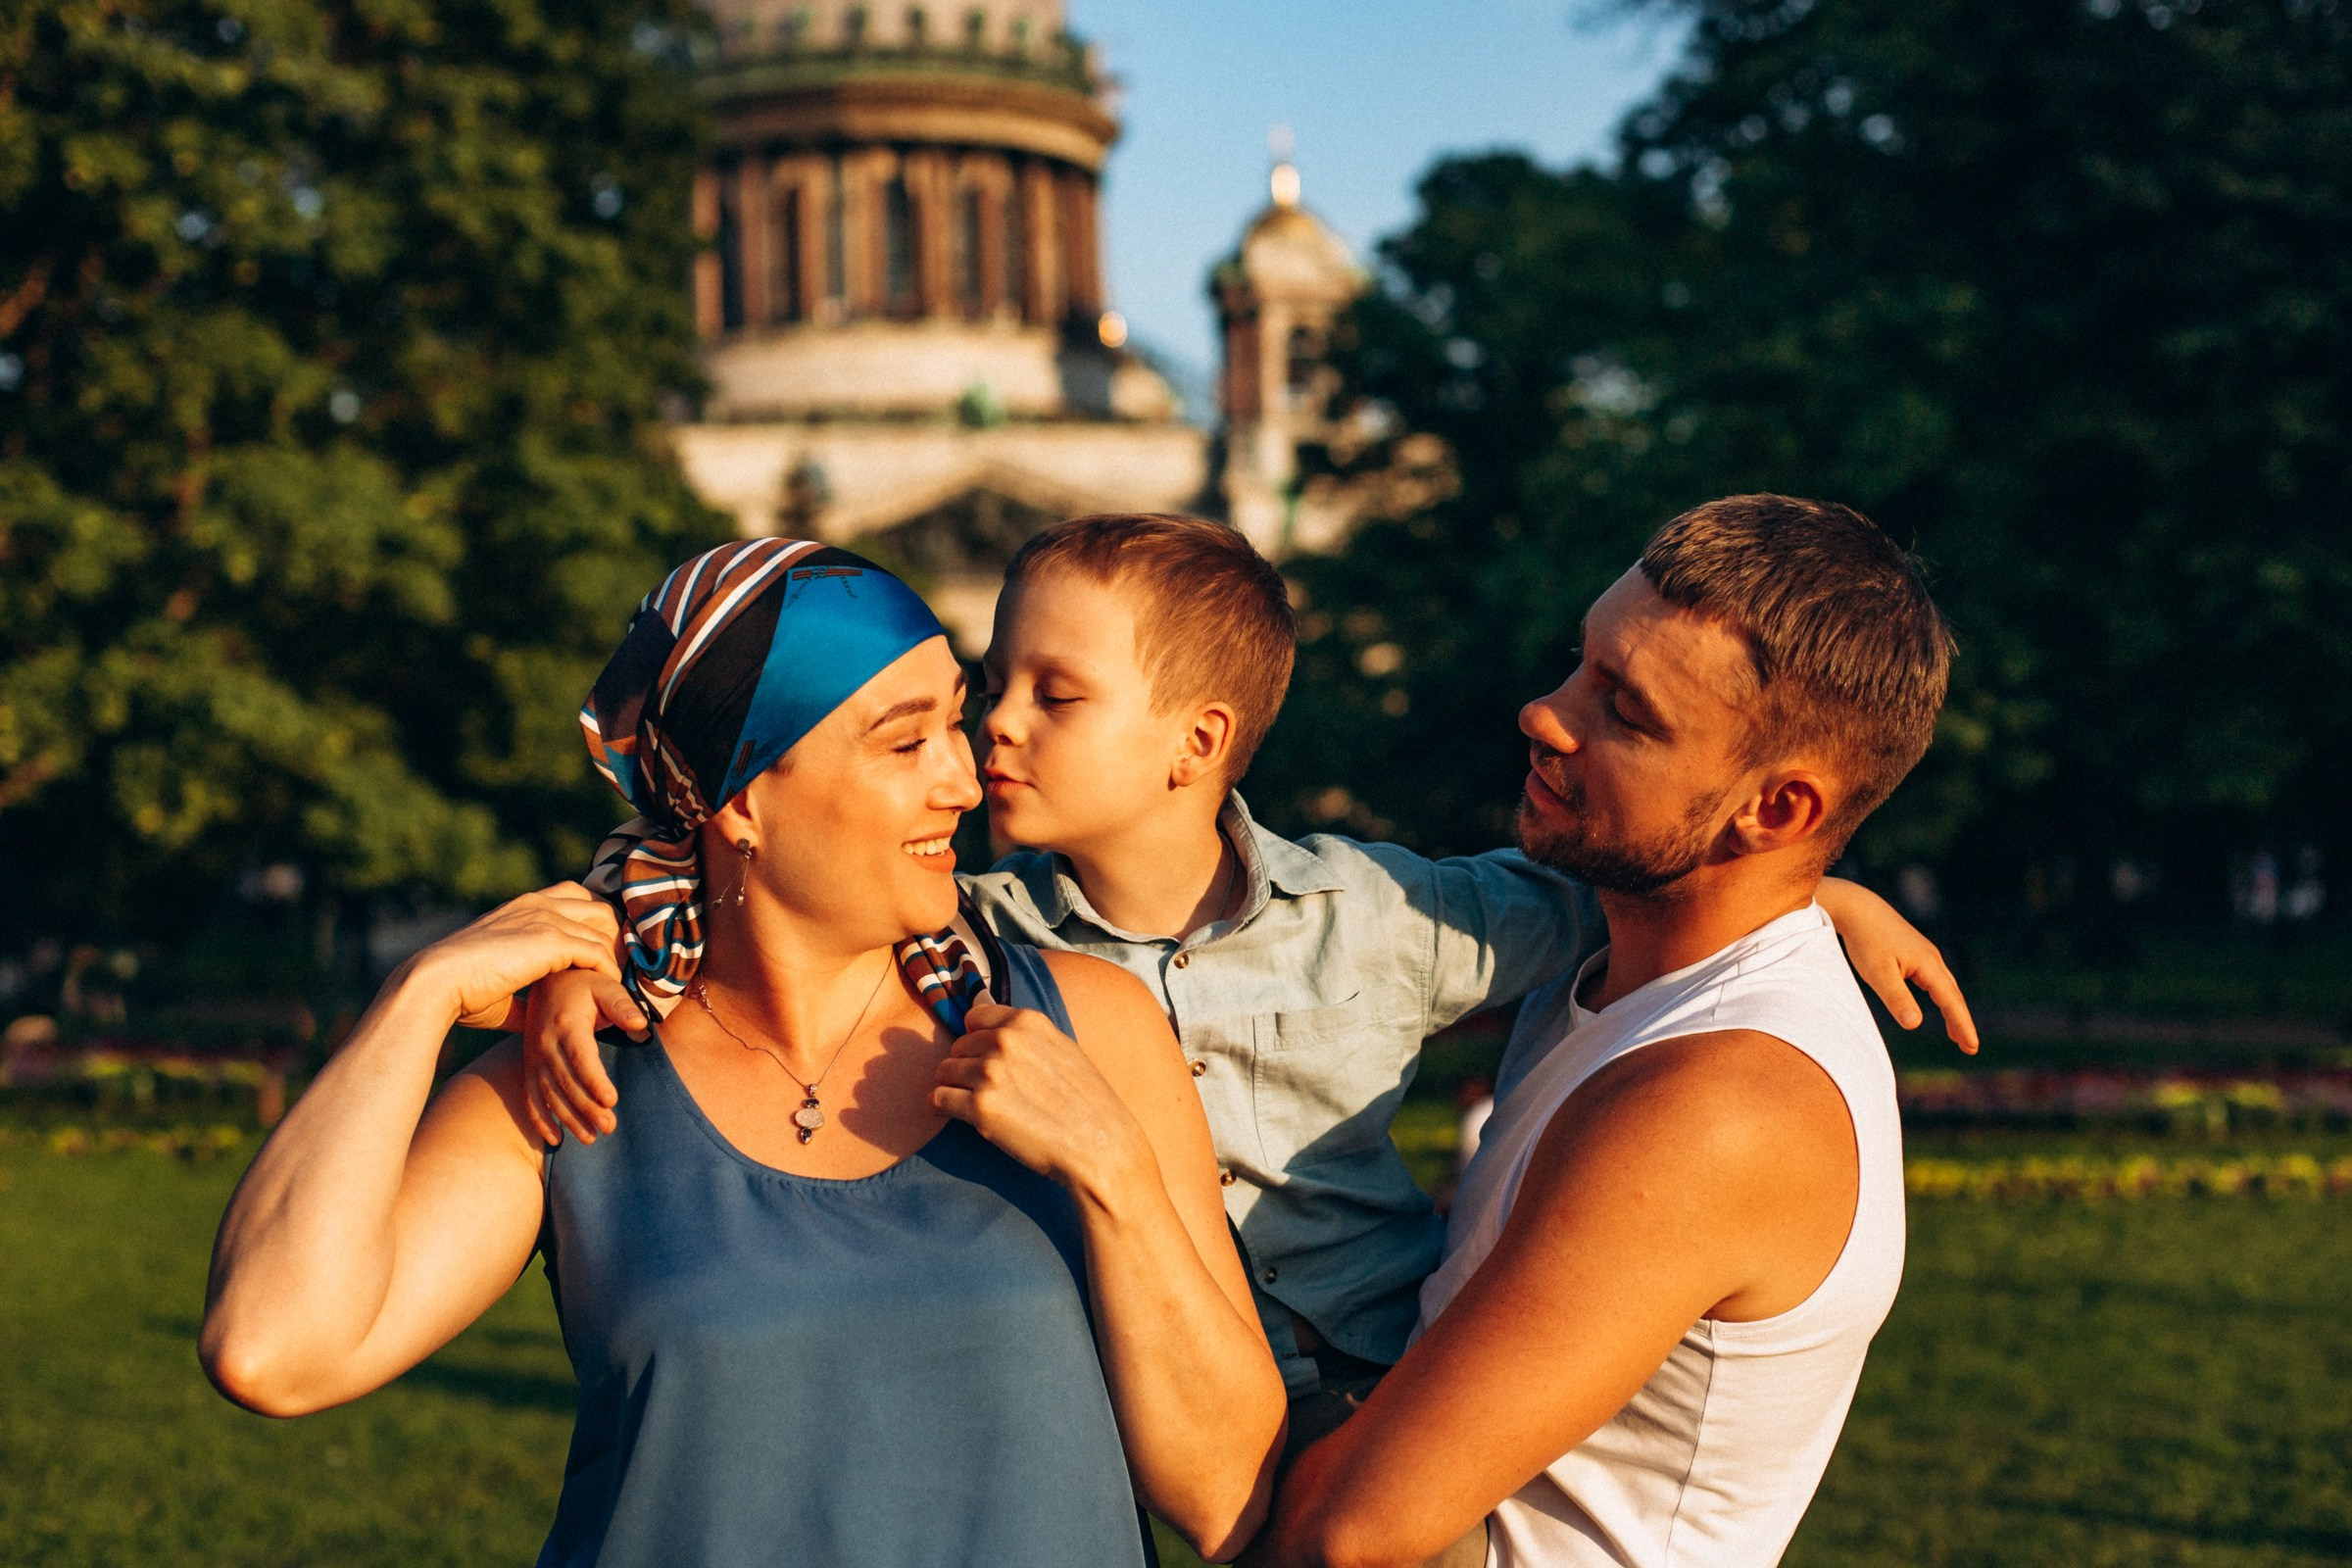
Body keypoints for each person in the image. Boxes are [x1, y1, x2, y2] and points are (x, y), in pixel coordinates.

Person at [521, 514, 1975, 1467]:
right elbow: (739, 880)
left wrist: (1817, 883)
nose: (988, 737)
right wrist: (599, 956)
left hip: (1375, 1403)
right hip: (1140, 1415)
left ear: (1195, 740)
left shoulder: (1388, 916)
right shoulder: (970, 932)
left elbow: (1656, 876)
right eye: (982, 693)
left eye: (1054, 696)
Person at [200, 539, 1286, 1567]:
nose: (964, 779)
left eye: (957, 725)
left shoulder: (1077, 1026)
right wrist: (420, 996)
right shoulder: (575, 1086)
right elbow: (273, 1348)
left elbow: (1225, 1493)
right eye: (906, 742)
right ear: (746, 799)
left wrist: (1113, 1169)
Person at [1248, 496, 1951, 1568]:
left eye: (1624, 710)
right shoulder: (1614, 952)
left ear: (1777, 812)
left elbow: (1348, 1537)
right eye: (1579, 663)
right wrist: (1828, 896)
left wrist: (1123, 1169)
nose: (1544, 711)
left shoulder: (1720, 1105)